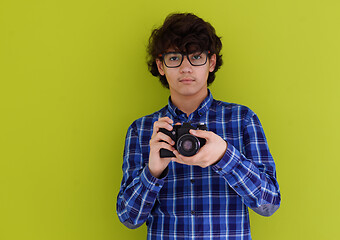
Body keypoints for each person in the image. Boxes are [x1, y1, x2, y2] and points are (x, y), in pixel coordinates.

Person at [116, 13, 281, 239]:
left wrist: (224, 155)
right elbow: (128, 217)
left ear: (211, 62)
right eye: (174, 58)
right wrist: (153, 172)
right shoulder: (143, 130)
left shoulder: (242, 119)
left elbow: (269, 203)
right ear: (161, 65)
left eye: (195, 56)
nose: (185, 67)